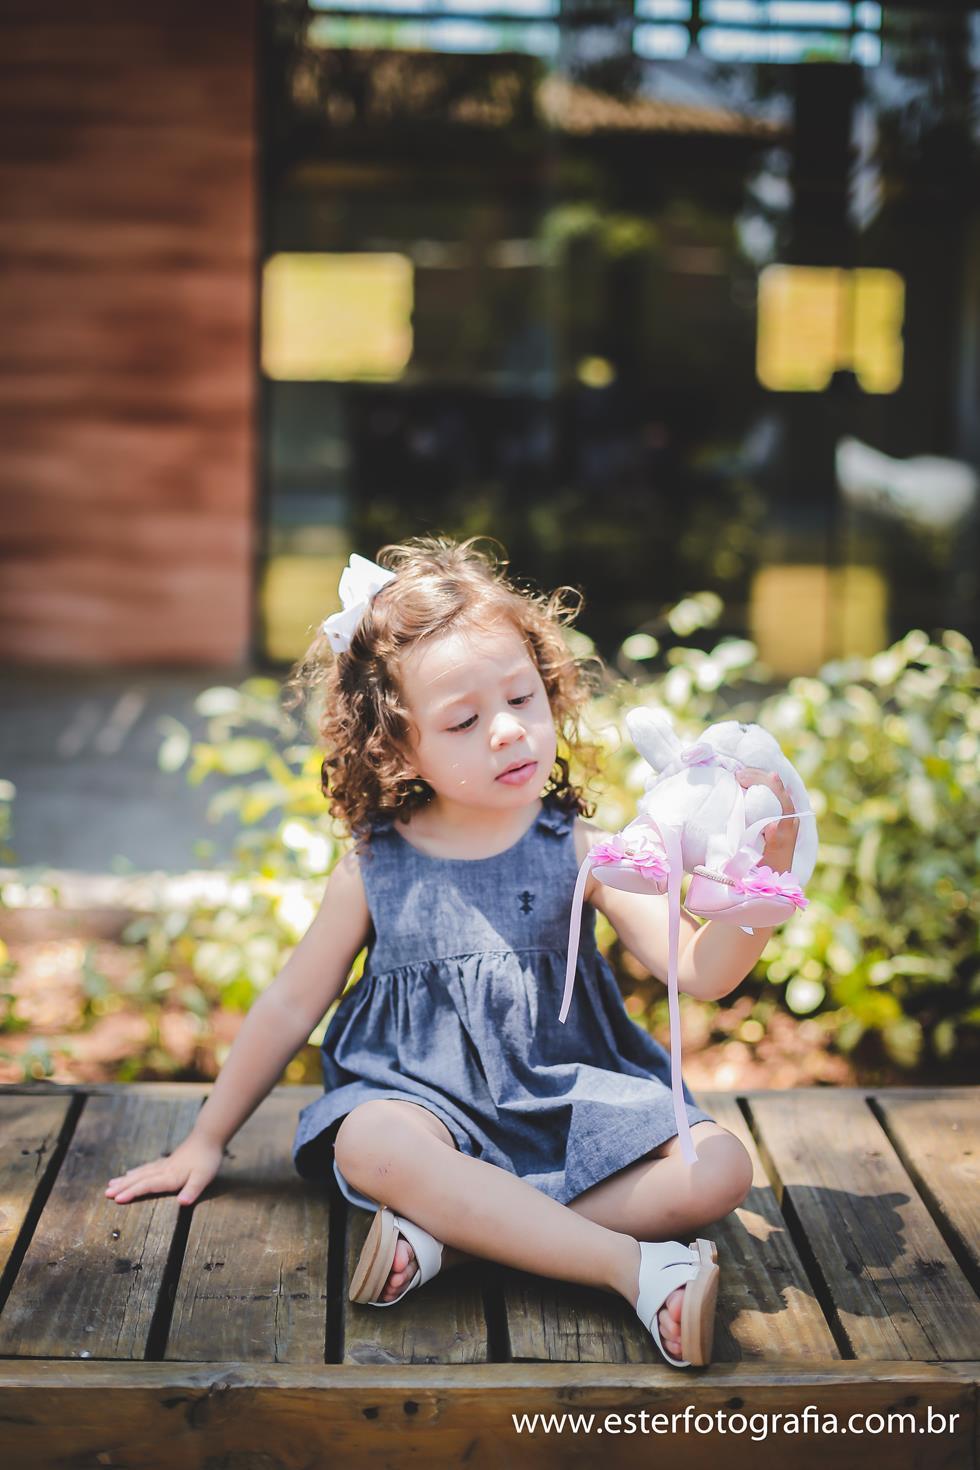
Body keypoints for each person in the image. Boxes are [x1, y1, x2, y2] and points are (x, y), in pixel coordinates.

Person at [105, 535, 800, 1369]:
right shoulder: (374, 864)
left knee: (719, 1167)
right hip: (422, 1107)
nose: (507, 731)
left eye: (522, 698)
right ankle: (633, 1269)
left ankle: (455, 1241)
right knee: (371, 1145)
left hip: (566, 1100)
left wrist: (759, 892)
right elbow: (293, 1003)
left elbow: (698, 974)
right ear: (397, 748)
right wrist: (205, 1139)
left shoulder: (587, 849)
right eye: (465, 721)